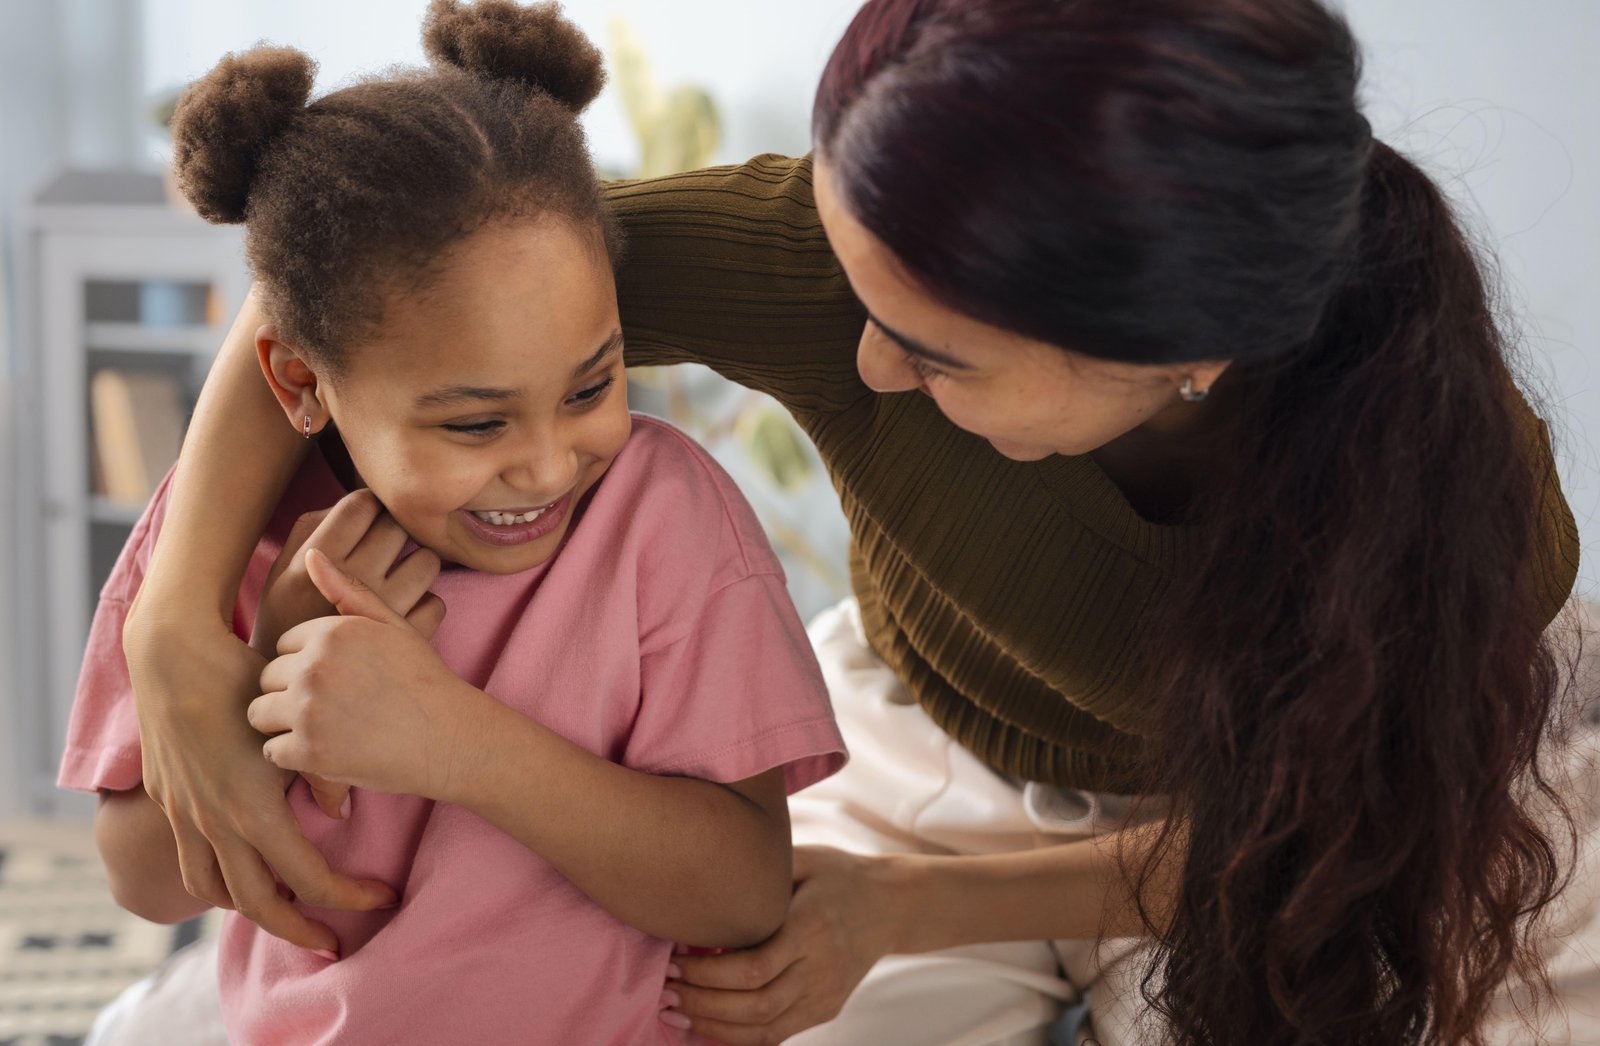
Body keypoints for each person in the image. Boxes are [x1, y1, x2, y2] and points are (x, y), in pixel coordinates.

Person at [118, 0, 1596, 1043]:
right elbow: (370, 259)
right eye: (856, 292)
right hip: (926, 743)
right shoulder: (832, 264)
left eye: (936, 355)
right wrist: (181, 624)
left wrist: (904, 907)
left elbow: (1322, 845)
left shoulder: (1455, 512)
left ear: (1175, 357)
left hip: (1368, 817)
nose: (866, 365)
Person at [58, 3, 846, 1043]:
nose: (548, 461)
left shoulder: (664, 516)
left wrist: (456, 743)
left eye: (591, 383)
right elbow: (141, 880)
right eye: (475, 420)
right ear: (300, 380)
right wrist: (268, 681)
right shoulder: (222, 542)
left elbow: (743, 891)